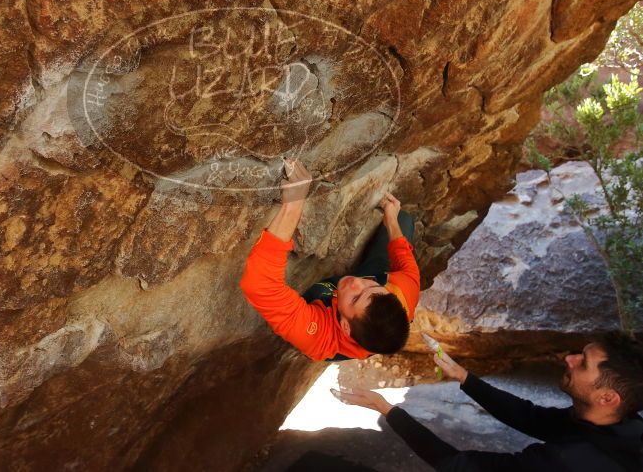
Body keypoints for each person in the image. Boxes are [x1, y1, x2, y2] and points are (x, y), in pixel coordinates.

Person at [332, 333, 643, 471]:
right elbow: (531, 417)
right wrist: (464, 377)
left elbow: (459, 465)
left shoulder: (567, 461)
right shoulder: (618, 425)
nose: (569, 358)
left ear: (607, 397)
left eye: (583, 363)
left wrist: (388, 410)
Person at [239, 158, 420, 361]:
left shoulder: (321, 338)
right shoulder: (404, 290)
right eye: (372, 286)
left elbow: (259, 285)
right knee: (404, 219)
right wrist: (392, 220)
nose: (357, 282)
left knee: (314, 300)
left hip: (325, 318)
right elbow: (403, 255)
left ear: (344, 325)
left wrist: (294, 204)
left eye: (355, 298)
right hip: (380, 274)